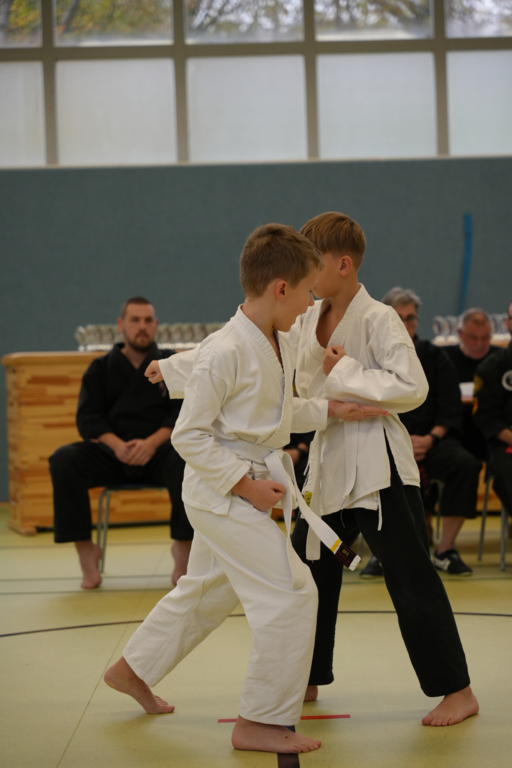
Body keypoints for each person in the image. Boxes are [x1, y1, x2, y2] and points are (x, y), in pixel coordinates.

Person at [103, 224, 386, 754]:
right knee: (294, 593)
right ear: (280, 288)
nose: (310, 304)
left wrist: (330, 409)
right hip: (222, 491)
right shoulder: (228, 349)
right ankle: (259, 719)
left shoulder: (274, 341)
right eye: (306, 292)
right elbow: (188, 435)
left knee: (207, 591)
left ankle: (131, 669)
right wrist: (244, 487)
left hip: (243, 482)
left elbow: (272, 417)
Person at [289, 213, 478, 727]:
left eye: (313, 262)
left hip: (379, 472)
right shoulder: (306, 319)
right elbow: (291, 380)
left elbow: (411, 386)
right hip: (327, 470)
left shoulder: (379, 318)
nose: (306, 272)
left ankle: (457, 690)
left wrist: (345, 370)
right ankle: (306, 675)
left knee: (409, 574)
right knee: (308, 571)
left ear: (343, 264)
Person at [49, 297, 193, 590]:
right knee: (64, 460)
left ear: (156, 325)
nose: (142, 327)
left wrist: (151, 444)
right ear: (121, 325)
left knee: (188, 459)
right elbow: (88, 418)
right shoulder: (100, 368)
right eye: (135, 320)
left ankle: (183, 549)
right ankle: (87, 552)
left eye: (148, 320)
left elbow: (185, 411)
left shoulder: (171, 363)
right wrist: (117, 446)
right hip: (114, 454)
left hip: (161, 452)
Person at [377, 288, 482, 576]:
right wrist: (400, 442)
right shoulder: (372, 357)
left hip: (431, 439)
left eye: (410, 318)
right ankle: (383, 552)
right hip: (388, 440)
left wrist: (430, 438)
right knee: (373, 467)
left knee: (465, 465)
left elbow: (451, 408)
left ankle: (445, 551)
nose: (405, 323)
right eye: (398, 318)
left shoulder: (435, 356)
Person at [473, 300, 512, 515]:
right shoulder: (491, 367)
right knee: (507, 472)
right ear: (508, 323)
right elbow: (486, 416)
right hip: (506, 442)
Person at [445, 308, 497, 461]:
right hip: (453, 431)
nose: (479, 344)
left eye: (485, 337)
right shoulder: (443, 358)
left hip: (493, 431)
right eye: (473, 338)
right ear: (460, 333)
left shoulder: (500, 358)